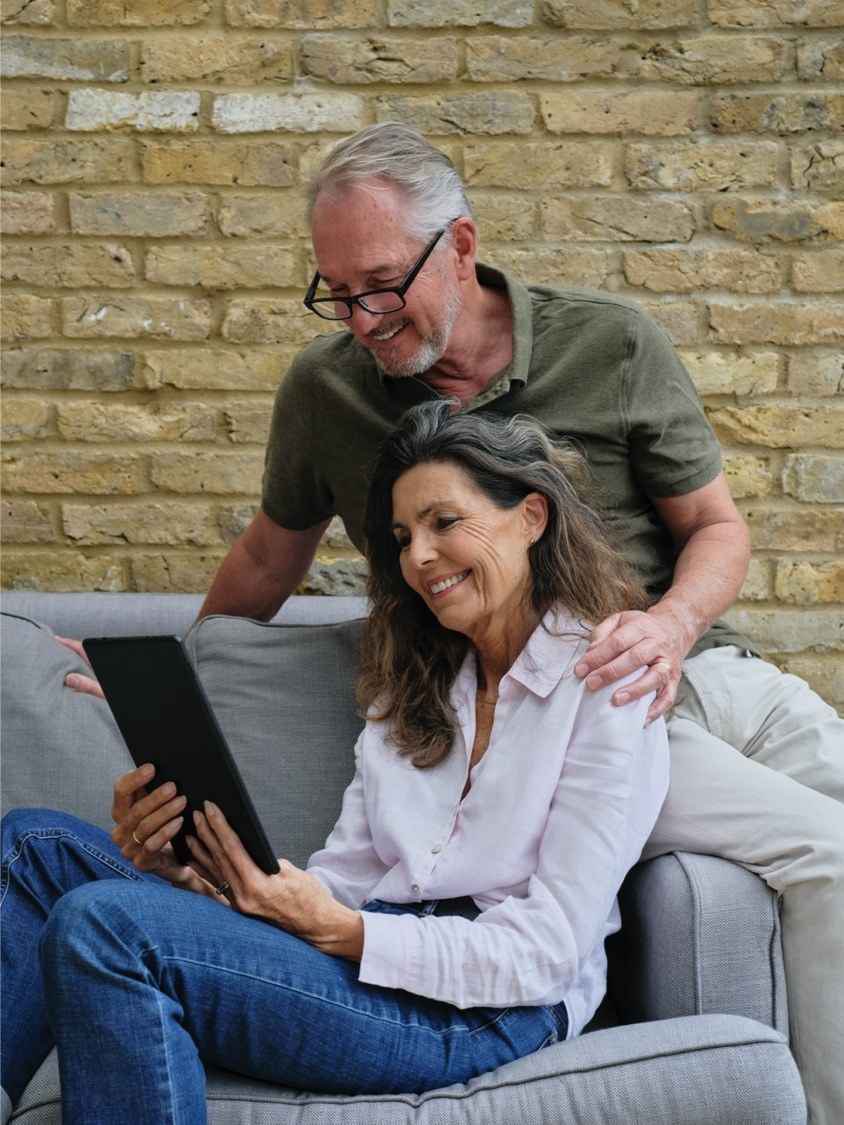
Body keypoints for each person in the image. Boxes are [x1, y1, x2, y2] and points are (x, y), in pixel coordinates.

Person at [57, 124, 843, 1123]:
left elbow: (717, 527)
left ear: (460, 246)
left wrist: (672, 629)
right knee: (43, 851)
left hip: (668, 663)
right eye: (337, 293)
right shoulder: (343, 435)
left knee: (834, 846)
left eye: (381, 283)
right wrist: (167, 684)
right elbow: (269, 554)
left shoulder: (611, 342)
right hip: (589, 694)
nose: (363, 316)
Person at [2, 404, 669, 1121]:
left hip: (487, 1004)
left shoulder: (608, 683)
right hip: (360, 955)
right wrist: (191, 881)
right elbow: (341, 882)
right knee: (33, 846)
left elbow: (550, 949)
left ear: (531, 516)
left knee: (104, 926)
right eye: (403, 536)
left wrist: (344, 932)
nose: (418, 557)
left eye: (445, 522)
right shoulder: (415, 680)